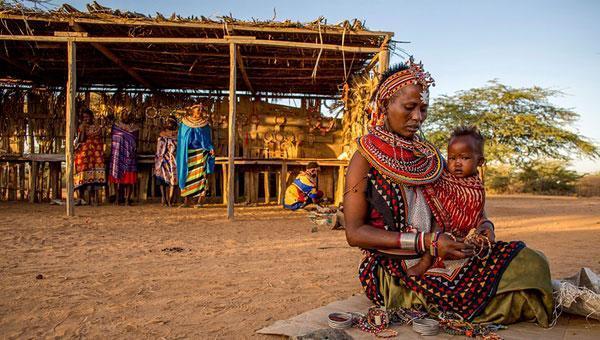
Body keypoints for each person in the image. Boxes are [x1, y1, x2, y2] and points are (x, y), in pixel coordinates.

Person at [343, 58, 553, 326]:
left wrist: (484, 226)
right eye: (409, 107)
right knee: (499, 294)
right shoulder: (364, 159)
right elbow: (354, 233)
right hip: (395, 270)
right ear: (384, 106)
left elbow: (466, 198)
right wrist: (426, 242)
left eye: (423, 109)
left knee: (531, 261)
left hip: (443, 254)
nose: (418, 117)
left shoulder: (429, 157)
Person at [407, 125, 486, 276]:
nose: (457, 163)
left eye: (465, 158)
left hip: (457, 234)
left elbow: (476, 214)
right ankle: (425, 261)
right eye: (452, 158)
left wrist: (484, 227)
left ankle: (433, 261)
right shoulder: (442, 176)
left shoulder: (476, 189)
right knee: (437, 226)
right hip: (433, 225)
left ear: (480, 161)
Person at [176, 103, 215, 208]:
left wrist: (210, 148)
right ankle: (186, 201)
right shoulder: (184, 123)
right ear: (192, 111)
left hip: (201, 153)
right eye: (198, 111)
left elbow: (207, 139)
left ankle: (200, 201)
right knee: (187, 175)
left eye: (201, 111)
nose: (200, 113)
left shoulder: (205, 124)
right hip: (187, 154)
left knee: (202, 176)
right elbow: (182, 139)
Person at [74, 108, 106, 206]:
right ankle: (80, 198)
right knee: (82, 175)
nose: (86, 119)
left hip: (95, 154)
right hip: (84, 155)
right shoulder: (81, 127)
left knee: (94, 176)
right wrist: (82, 129)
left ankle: (93, 199)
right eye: (84, 117)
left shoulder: (97, 127)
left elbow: (99, 138)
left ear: (91, 117)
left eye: (87, 117)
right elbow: (80, 140)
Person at [108, 110, 139, 206]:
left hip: (129, 155)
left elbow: (135, 141)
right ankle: (117, 199)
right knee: (116, 179)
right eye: (124, 114)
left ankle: (127, 200)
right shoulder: (116, 126)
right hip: (117, 155)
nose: (126, 116)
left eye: (128, 115)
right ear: (121, 116)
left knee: (129, 180)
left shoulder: (134, 128)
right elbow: (113, 139)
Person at [155, 117, 178, 206]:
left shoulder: (177, 136)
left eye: (171, 123)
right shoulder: (162, 135)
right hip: (162, 160)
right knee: (162, 180)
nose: (169, 124)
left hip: (173, 160)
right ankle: (164, 198)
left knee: (172, 180)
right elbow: (159, 149)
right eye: (168, 122)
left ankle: (170, 199)